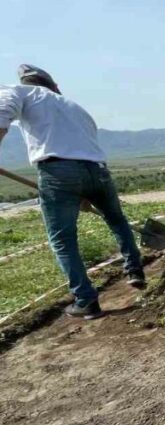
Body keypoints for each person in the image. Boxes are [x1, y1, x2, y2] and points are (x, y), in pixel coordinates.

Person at [0, 64, 145, 320]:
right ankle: (135, 270)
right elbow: (83, 146)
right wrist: (83, 191)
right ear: (54, 85)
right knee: (116, 220)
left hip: (59, 172)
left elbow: (2, 114)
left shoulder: (18, 92)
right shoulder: (73, 106)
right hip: (98, 170)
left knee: (63, 240)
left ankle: (86, 300)